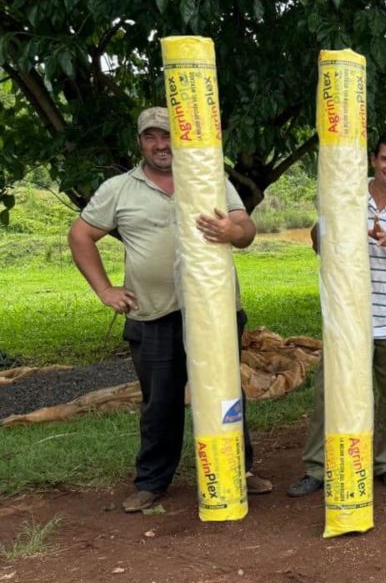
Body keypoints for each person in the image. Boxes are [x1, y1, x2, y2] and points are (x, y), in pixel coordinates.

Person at [68, 106, 272, 513]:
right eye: (151, 137)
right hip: (153, 313)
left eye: (168, 136)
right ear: (140, 142)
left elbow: (245, 228)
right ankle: (152, 481)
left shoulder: (209, 179)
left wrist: (234, 231)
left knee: (225, 394)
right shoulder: (119, 189)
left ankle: (237, 470)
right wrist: (105, 290)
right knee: (159, 401)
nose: (161, 144)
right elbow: (80, 235)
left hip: (214, 312)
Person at [288, 133, 386, 497]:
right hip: (348, 319)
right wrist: (327, 225)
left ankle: (384, 463)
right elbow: (318, 242)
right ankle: (318, 467)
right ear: (374, 160)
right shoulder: (347, 194)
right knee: (331, 392)